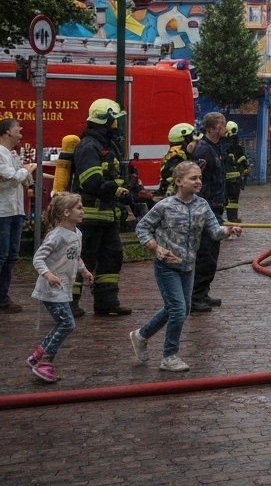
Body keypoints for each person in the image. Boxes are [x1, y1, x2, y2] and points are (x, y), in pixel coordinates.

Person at [130, 160, 242, 372]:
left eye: (199, 177)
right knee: (178, 309)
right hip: (166, 266)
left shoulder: (202, 205)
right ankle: (169, 356)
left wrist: (228, 230)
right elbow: (142, 228)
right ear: (179, 182)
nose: (198, 182)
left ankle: (141, 335)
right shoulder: (164, 206)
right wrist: (155, 248)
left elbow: (214, 231)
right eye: (193, 178)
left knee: (181, 308)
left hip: (188, 266)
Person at [70, 98, 132, 317]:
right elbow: (90, 180)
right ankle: (70, 303)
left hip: (107, 214)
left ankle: (106, 302)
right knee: (83, 258)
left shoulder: (106, 145)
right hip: (89, 215)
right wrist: (113, 189)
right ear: (106, 120)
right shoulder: (88, 145)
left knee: (112, 256)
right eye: (115, 120)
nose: (117, 125)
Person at [27, 193, 94, 382]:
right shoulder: (56, 236)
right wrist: (48, 275)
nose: (82, 211)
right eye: (78, 208)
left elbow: (74, 255)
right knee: (67, 323)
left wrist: (84, 270)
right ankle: (45, 362)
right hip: (50, 288)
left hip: (63, 286)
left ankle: (37, 356)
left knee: (63, 323)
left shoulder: (76, 233)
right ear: (66, 212)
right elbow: (38, 258)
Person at [190, 112, 229, 313]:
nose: (225, 127)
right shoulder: (204, 150)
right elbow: (197, 181)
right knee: (206, 253)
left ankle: (202, 293)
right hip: (207, 209)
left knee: (212, 253)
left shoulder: (214, 148)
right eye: (222, 124)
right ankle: (196, 296)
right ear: (212, 127)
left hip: (214, 206)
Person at [0, 118, 38, 314]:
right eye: (17, 129)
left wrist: (23, 173)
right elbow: (11, 175)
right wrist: (25, 171)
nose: (20, 132)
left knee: (11, 256)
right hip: (2, 212)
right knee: (2, 255)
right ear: (7, 132)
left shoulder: (13, 154)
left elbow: (24, 180)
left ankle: (3, 297)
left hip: (16, 211)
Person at [155, 123, 197, 201]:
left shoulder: (173, 152)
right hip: (173, 195)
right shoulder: (177, 153)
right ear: (185, 138)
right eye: (191, 137)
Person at [223, 120, 250, 222]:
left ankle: (222, 219)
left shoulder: (219, 144)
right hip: (233, 178)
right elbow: (244, 161)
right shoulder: (237, 147)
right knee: (233, 200)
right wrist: (245, 171)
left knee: (225, 200)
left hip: (224, 178)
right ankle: (232, 218)